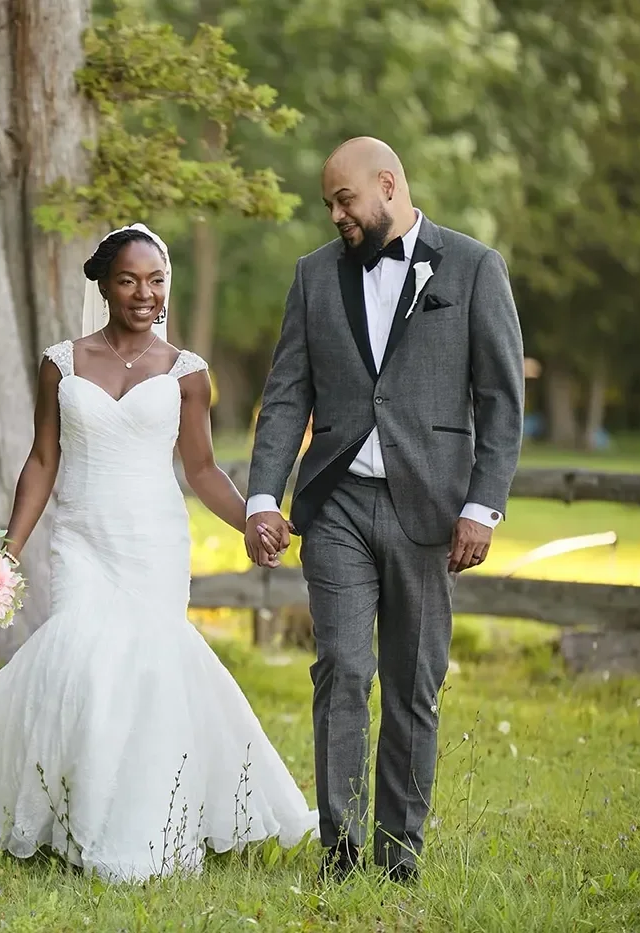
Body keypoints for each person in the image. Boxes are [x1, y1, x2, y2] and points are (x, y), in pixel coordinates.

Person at [0, 223, 318, 883]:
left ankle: (147, 827)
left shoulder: (187, 373)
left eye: (156, 280)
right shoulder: (61, 363)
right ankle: (77, 823)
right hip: (82, 539)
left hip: (153, 539)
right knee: (84, 660)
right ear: (104, 285)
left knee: (148, 671)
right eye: (129, 280)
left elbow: (203, 468)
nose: (145, 293)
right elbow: (43, 460)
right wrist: (7, 550)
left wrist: (252, 518)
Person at [243, 138, 524, 883]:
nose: (335, 214)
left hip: (430, 509)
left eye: (344, 200)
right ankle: (340, 851)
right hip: (334, 504)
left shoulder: (471, 267)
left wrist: (482, 507)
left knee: (412, 680)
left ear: (388, 184)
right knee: (342, 664)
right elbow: (285, 396)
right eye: (329, 203)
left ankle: (399, 854)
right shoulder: (312, 276)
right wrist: (264, 497)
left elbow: (501, 402)